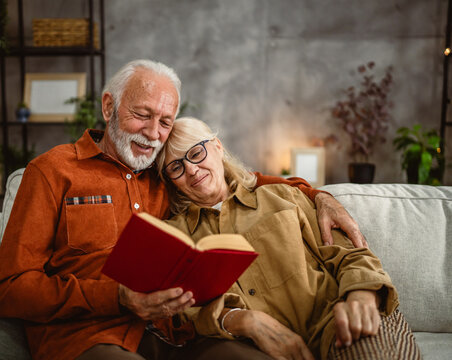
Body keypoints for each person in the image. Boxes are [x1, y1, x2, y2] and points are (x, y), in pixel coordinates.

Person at [0, 59, 368, 360]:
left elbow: (234, 179)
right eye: (142, 114)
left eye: (165, 121)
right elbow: (8, 291)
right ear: (109, 106)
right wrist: (117, 297)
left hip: (179, 337)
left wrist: (319, 195)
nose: (153, 133)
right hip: (90, 337)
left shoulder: (164, 173)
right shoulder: (53, 171)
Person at [155, 117, 421, 360]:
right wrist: (244, 320)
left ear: (217, 147)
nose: (190, 169)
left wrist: (361, 296)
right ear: (171, 180)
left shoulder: (281, 196)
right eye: (176, 167)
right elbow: (186, 312)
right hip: (256, 348)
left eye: (196, 153)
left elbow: (349, 253)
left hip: (337, 316)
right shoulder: (176, 236)